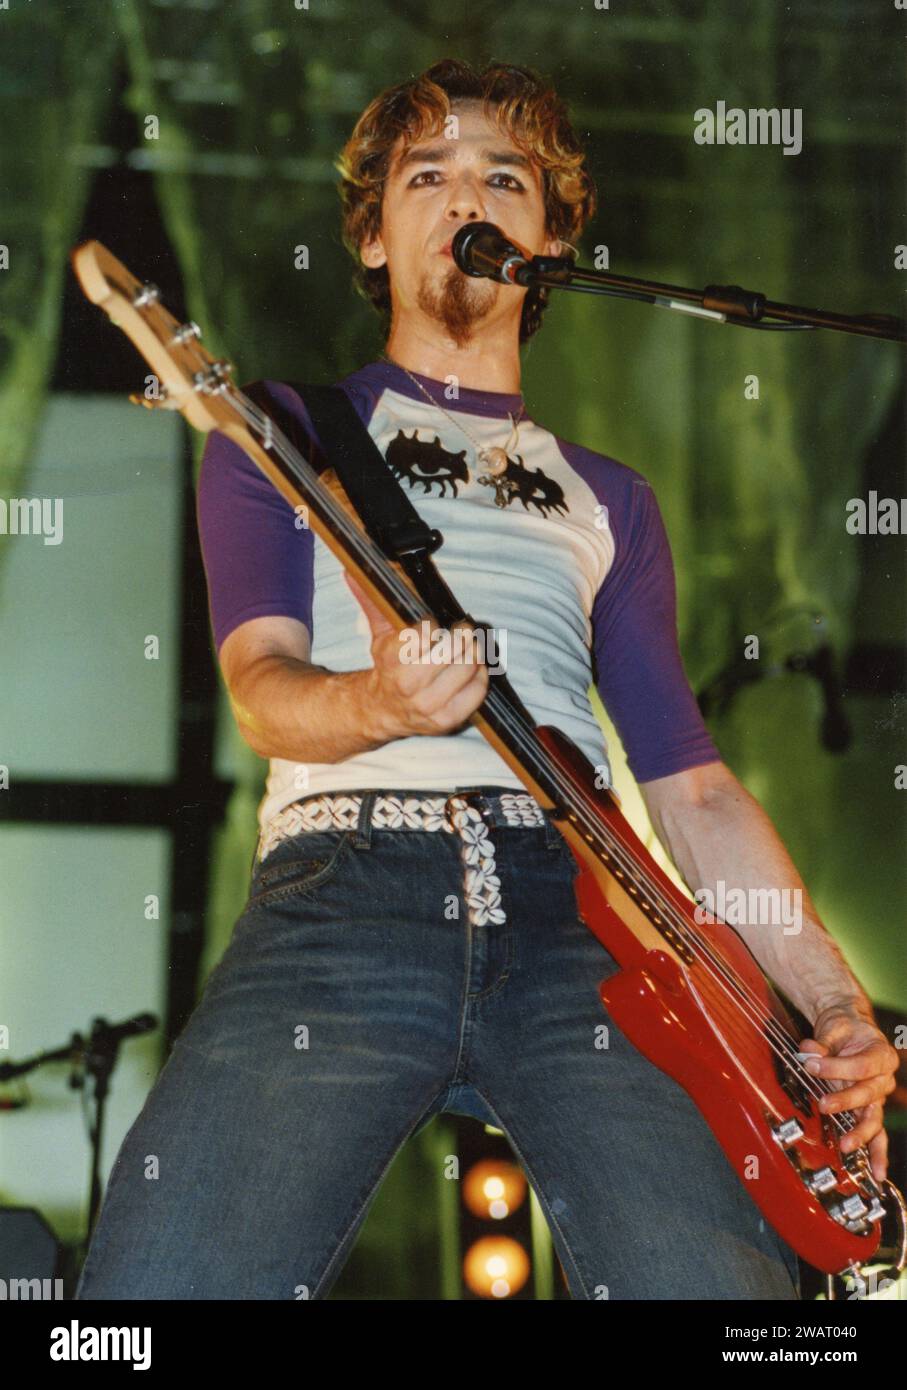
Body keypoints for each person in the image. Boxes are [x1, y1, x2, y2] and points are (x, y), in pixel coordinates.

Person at [76, 57, 897, 1301]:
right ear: (371, 233)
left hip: (590, 917)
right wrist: (377, 705)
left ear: (552, 236)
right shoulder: (279, 434)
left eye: (502, 176)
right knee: (154, 1298)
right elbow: (261, 684)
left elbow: (692, 787)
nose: (466, 193)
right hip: (342, 893)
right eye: (427, 174)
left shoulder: (610, 497)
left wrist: (832, 1001)